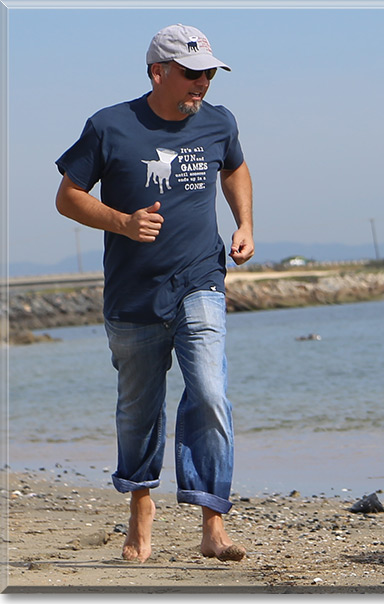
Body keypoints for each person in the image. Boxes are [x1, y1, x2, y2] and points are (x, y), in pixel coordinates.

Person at [55, 23, 254, 563]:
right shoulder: (109, 126)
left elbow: (235, 168)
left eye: (210, 73)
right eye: (193, 73)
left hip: (200, 280)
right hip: (133, 294)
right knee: (139, 410)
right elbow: (68, 197)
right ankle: (141, 509)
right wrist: (121, 221)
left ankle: (212, 522)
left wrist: (244, 225)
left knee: (210, 391)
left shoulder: (219, 123)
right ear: (157, 72)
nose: (203, 84)